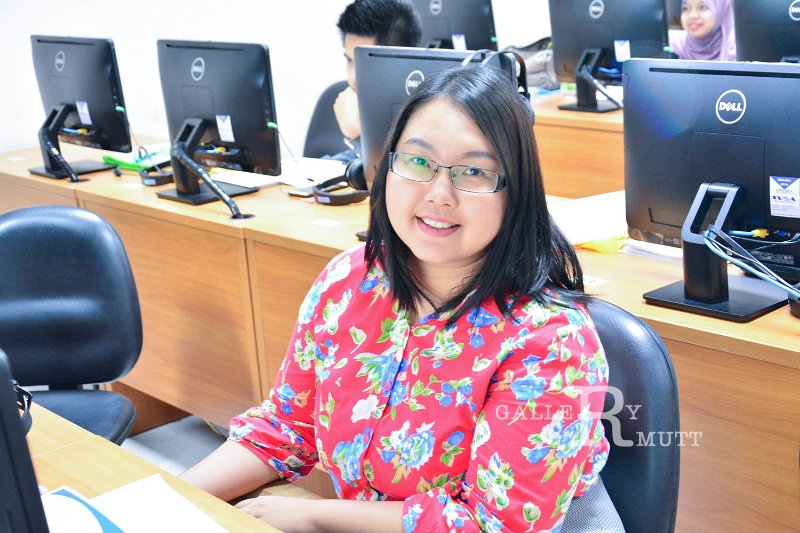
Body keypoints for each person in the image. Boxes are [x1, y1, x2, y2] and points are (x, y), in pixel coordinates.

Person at [181, 66, 622, 532]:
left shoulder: (553, 341)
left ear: (516, 191)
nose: (439, 194)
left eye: (474, 171)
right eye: (417, 161)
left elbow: (494, 525)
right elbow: (287, 426)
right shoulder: (350, 280)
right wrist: (167, 496)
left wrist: (313, 515)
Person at [328, 0, 421, 163]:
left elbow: (396, 172)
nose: (353, 78)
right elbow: (351, 159)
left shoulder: (427, 115)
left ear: (402, 61)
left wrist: (358, 137)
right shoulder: (365, 109)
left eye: (364, 63)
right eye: (349, 60)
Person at [670, 0, 736, 61]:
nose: (692, 16)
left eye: (702, 7)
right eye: (686, 8)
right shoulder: (676, 48)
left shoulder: (737, 51)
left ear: (721, 10)